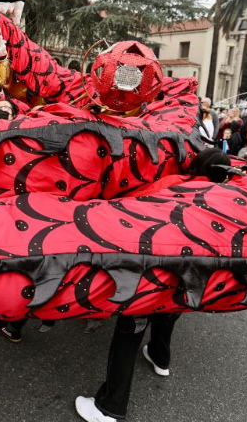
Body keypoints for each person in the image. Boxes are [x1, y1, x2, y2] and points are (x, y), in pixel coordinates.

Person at [75, 148, 232, 422]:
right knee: (169, 312)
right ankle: (160, 358)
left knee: (129, 332)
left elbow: (133, 206)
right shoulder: (227, 198)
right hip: (193, 277)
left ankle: (109, 408)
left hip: (153, 272)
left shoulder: (175, 184)